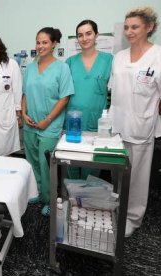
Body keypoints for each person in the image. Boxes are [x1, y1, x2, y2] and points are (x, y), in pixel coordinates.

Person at [109, 6, 161, 237]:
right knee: (117, 172)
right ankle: (118, 208)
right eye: (127, 27)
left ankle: (132, 218)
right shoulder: (119, 57)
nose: (129, 31)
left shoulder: (158, 56)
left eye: (135, 27)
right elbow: (114, 90)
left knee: (138, 175)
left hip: (141, 126)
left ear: (149, 27)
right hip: (116, 126)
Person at [22, 27, 74, 216]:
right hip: (30, 124)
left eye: (45, 42)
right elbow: (25, 93)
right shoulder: (29, 67)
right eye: (38, 42)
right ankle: (36, 192)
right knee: (32, 162)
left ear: (54, 44)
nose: (40, 46)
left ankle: (50, 199)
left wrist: (48, 120)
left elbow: (64, 98)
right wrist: (23, 113)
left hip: (49, 126)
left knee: (46, 165)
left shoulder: (62, 68)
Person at [66, 20, 113, 179]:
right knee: (71, 162)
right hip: (73, 121)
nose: (84, 38)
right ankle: (72, 199)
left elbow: (115, 91)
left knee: (92, 164)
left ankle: (89, 200)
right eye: (80, 35)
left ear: (96, 35)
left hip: (97, 121)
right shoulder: (70, 62)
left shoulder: (109, 60)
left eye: (88, 33)